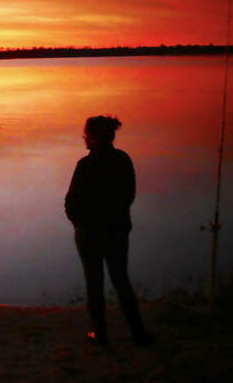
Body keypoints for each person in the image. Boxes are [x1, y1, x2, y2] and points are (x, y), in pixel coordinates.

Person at [65, 115, 152, 346]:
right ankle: (138, 334)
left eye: (87, 134)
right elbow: (128, 196)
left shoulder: (85, 165)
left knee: (94, 283)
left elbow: (71, 203)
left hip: (90, 234)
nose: (85, 138)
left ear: (92, 137)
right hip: (116, 231)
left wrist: (80, 223)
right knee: (121, 280)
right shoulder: (122, 160)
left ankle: (100, 335)